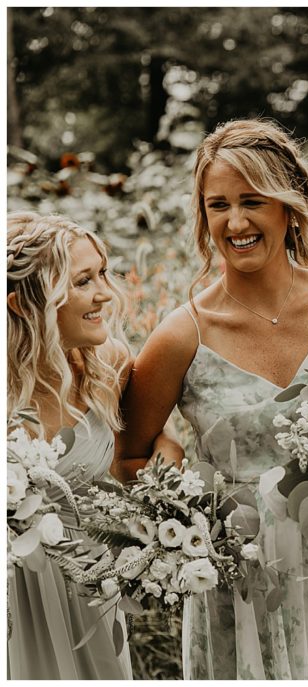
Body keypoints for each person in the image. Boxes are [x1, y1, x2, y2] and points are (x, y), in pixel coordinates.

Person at [115, 119, 308, 679]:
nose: (236, 222)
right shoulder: (180, 337)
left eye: (253, 201)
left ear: (289, 207)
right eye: (218, 205)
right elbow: (130, 456)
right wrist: (185, 505)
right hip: (240, 582)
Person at [6, 212, 150, 678]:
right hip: (14, 598)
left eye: (102, 274)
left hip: (92, 589)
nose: (105, 293)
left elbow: (151, 452)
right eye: (83, 281)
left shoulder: (108, 366)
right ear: (24, 306)